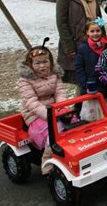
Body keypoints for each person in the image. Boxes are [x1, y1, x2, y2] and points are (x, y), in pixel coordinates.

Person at [18, 39, 67, 175]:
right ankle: (47, 158)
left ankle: (71, 154)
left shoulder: (54, 75)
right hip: (34, 114)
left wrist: (61, 107)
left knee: (73, 124)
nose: (42, 66)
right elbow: (31, 101)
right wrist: (49, 114)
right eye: (37, 63)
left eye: (45, 62)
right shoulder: (25, 79)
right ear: (30, 64)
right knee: (52, 132)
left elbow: (60, 92)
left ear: (50, 62)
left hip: (54, 109)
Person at [56, 0, 101, 84]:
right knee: (79, 81)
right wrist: (69, 48)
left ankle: (85, 103)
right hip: (75, 45)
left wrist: (103, 40)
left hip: (93, 43)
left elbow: (99, 19)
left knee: (92, 80)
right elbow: (61, 23)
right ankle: (77, 104)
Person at [74, 18, 107, 96]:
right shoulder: (83, 48)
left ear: (101, 31)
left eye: (98, 31)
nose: (95, 33)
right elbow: (79, 67)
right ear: (87, 32)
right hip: (90, 84)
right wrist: (85, 83)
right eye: (92, 31)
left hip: (105, 85)